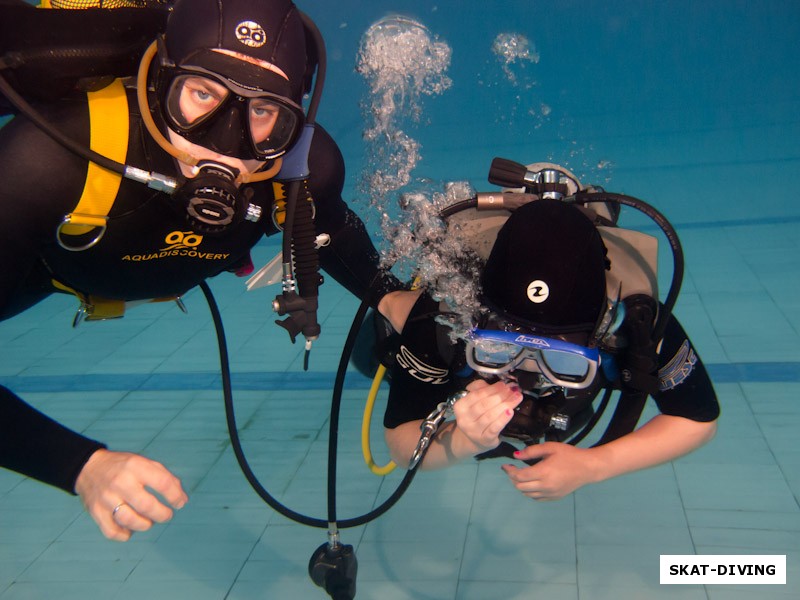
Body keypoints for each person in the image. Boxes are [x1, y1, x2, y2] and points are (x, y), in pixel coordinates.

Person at [0, 0, 402, 541]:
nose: (228, 140)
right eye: (203, 94)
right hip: (43, 268)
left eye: (264, 112)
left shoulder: (301, 168)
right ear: (161, 81)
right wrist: (82, 467)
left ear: (295, 120)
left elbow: (330, 230)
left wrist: (393, 299)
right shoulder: (43, 163)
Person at [376, 184, 719, 501]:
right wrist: (467, 440)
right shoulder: (445, 315)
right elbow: (400, 444)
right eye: (499, 349)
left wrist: (594, 465)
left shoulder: (635, 325)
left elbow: (696, 418)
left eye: (562, 360)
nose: (526, 377)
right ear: (478, 322)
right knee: (384, 334)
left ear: (597, 335)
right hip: (424, 337)